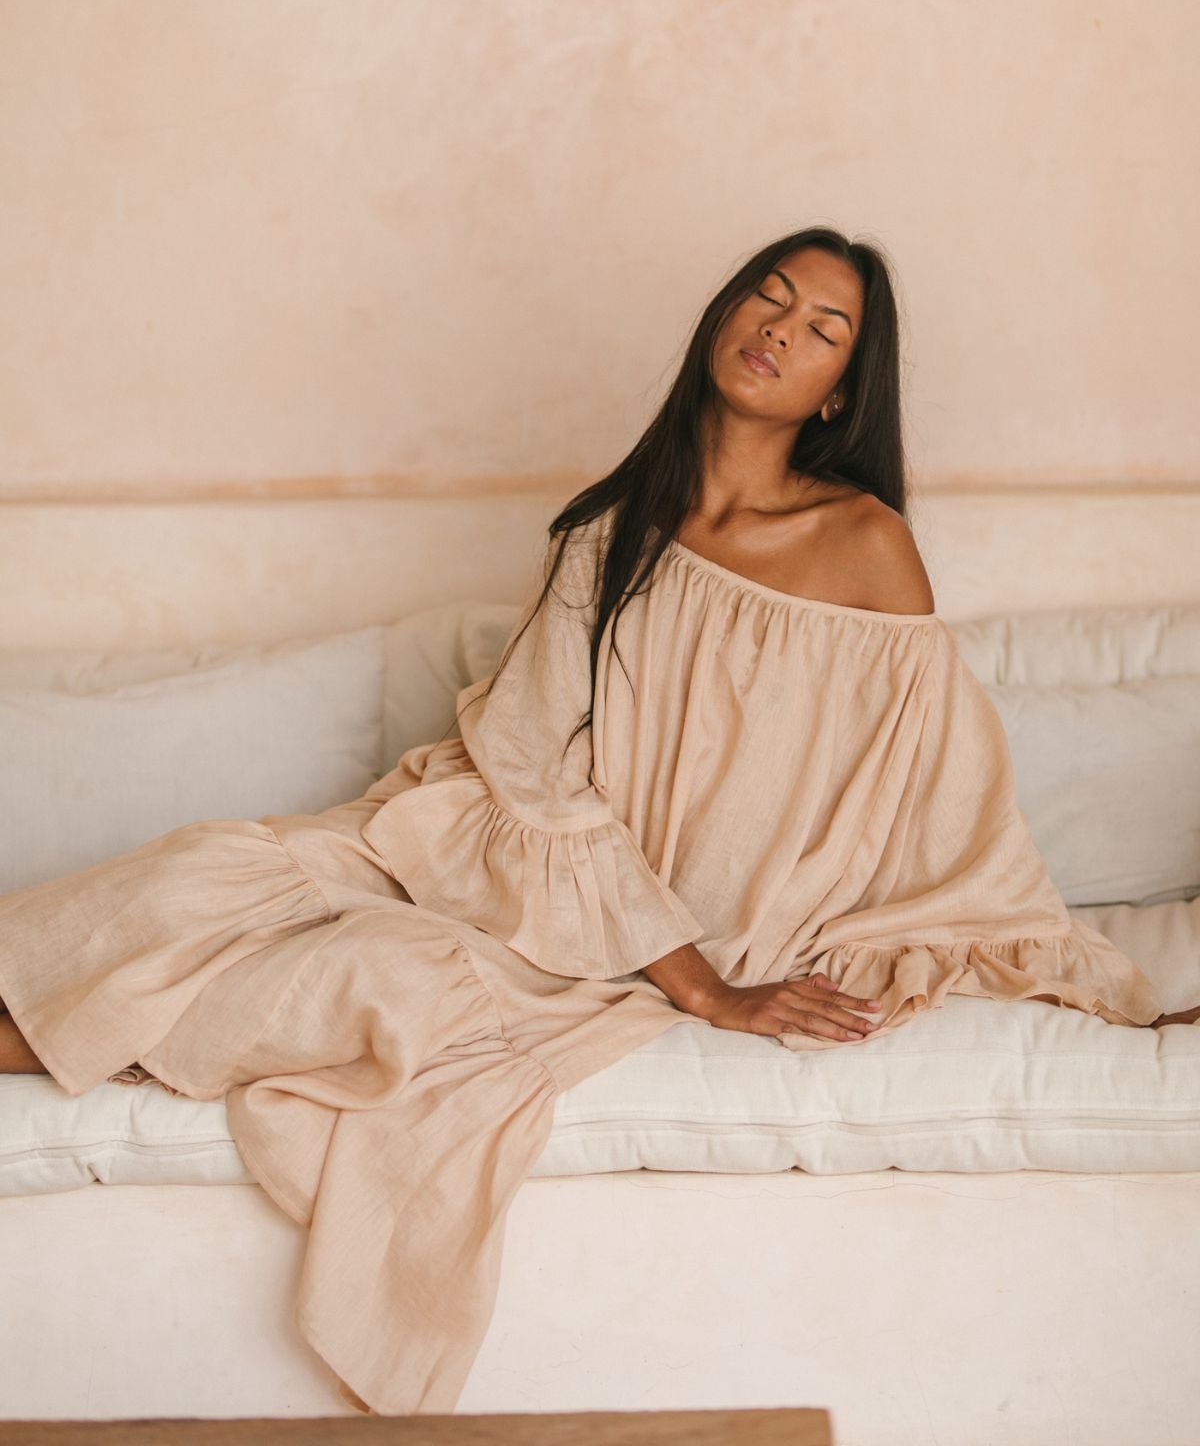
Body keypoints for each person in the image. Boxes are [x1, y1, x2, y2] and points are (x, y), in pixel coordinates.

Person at [2, 226, 1196, 1414]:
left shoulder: (867, 547)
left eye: (824, 329)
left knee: (370, 979)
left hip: (614, 952)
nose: (783, 330)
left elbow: (944, 799)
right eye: (768, 298)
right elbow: (526, 759)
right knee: (204, 877)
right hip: (496, 863)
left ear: (842, 393)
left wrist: (1097, 983)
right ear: (723, 315)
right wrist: (701, 987)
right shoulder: (606, 534)